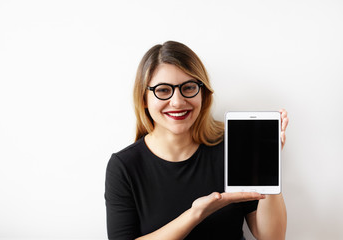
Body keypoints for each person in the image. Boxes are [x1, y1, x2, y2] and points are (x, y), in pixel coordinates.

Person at [105, 41, 288, 240]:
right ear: (144, 99)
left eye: (189, 87)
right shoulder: (125, 166)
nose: (177, 101)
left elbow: (272, 237)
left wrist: (269, 169)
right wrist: (196, 214)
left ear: (203, 93)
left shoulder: (232, 147)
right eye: (163, 90)